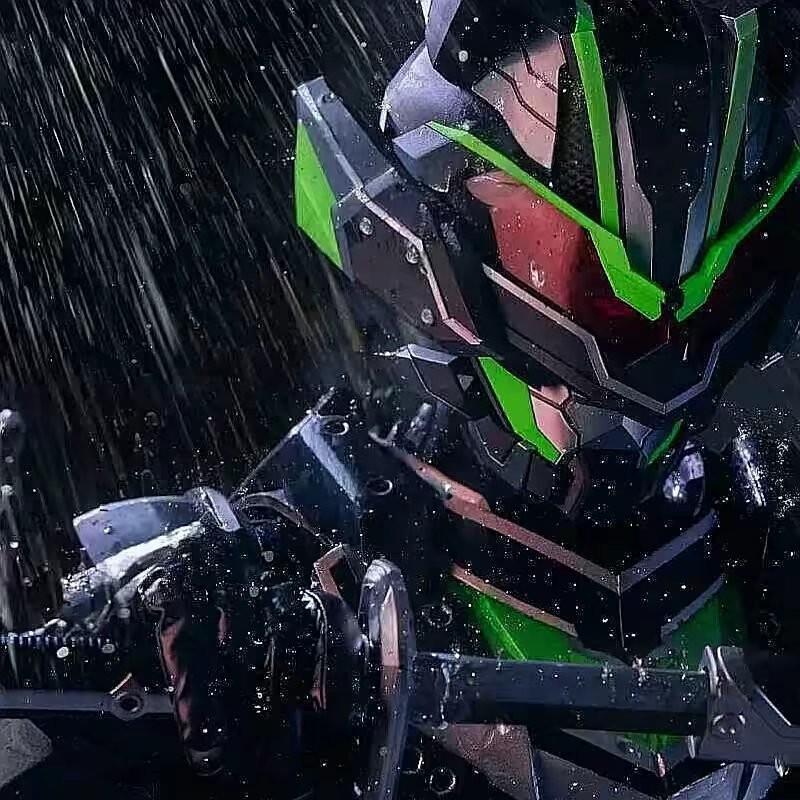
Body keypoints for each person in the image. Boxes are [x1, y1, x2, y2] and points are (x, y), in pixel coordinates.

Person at [7, 0, 800, 798]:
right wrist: (121, 653)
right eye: (583, 281)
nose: (643, 340)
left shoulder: (768, 537)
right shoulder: (279, 564)